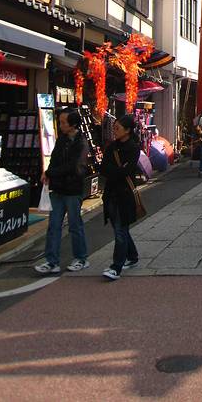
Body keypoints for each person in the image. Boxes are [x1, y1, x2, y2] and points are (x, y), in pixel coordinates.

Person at [34, 108, 89, 275]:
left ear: (73, 124)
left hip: (72, 190)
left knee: (74, 225)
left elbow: (74, 166)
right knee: (54, 225)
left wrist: (51, 173)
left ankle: (81, 258)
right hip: (58, 189)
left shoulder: (81, 142)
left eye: (64, 122)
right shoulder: (62, 140)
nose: (61, 125)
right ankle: (52, 261)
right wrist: (48, 173)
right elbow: (54, 159)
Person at [99, 115, 141, 280]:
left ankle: (116, 267)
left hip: (124, 194)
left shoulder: (133, 148)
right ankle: (132, 256)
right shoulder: (112, 147)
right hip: (110, 193)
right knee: (120, 229)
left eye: (117, 128)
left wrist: (115, 171)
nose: (114, 131)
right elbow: (103, 169)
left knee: (120, 230)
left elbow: (127, 171)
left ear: (128, 130)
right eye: (114, 128)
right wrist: (118, 170)